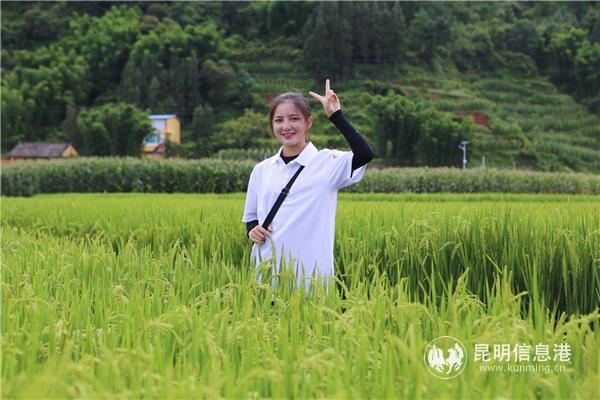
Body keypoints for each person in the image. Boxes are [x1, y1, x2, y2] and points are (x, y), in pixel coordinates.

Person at [242, 79, 374, 293]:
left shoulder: (327, 162)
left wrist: (336, 116)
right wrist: (252, 231)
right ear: (272, 125)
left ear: (308, 122)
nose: (286, 126)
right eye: (279, 120)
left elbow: (365, 154)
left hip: (311, 279)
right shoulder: (262, 170)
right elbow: (251, 218)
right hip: (266, 275)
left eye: (294, 119)